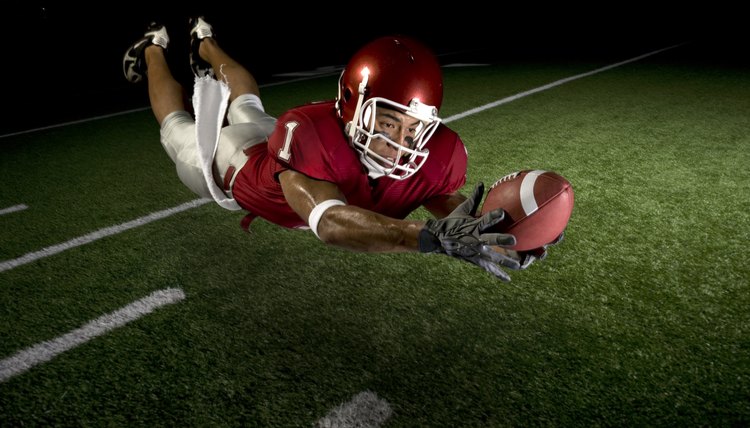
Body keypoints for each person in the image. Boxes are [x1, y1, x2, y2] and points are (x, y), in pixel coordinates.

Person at [123, 17, 547, 281]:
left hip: (272, 144)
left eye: (414, 129)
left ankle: (204, 42)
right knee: (178, 126)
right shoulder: (309, 134)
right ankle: (154, 49)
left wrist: (509, 232)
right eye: (387, 123)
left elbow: (454, 212)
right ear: (351, 107)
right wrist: (429, 237)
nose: (401, 144)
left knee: (247, 105)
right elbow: (329, 222)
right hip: (233, 166)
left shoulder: (440, 155)